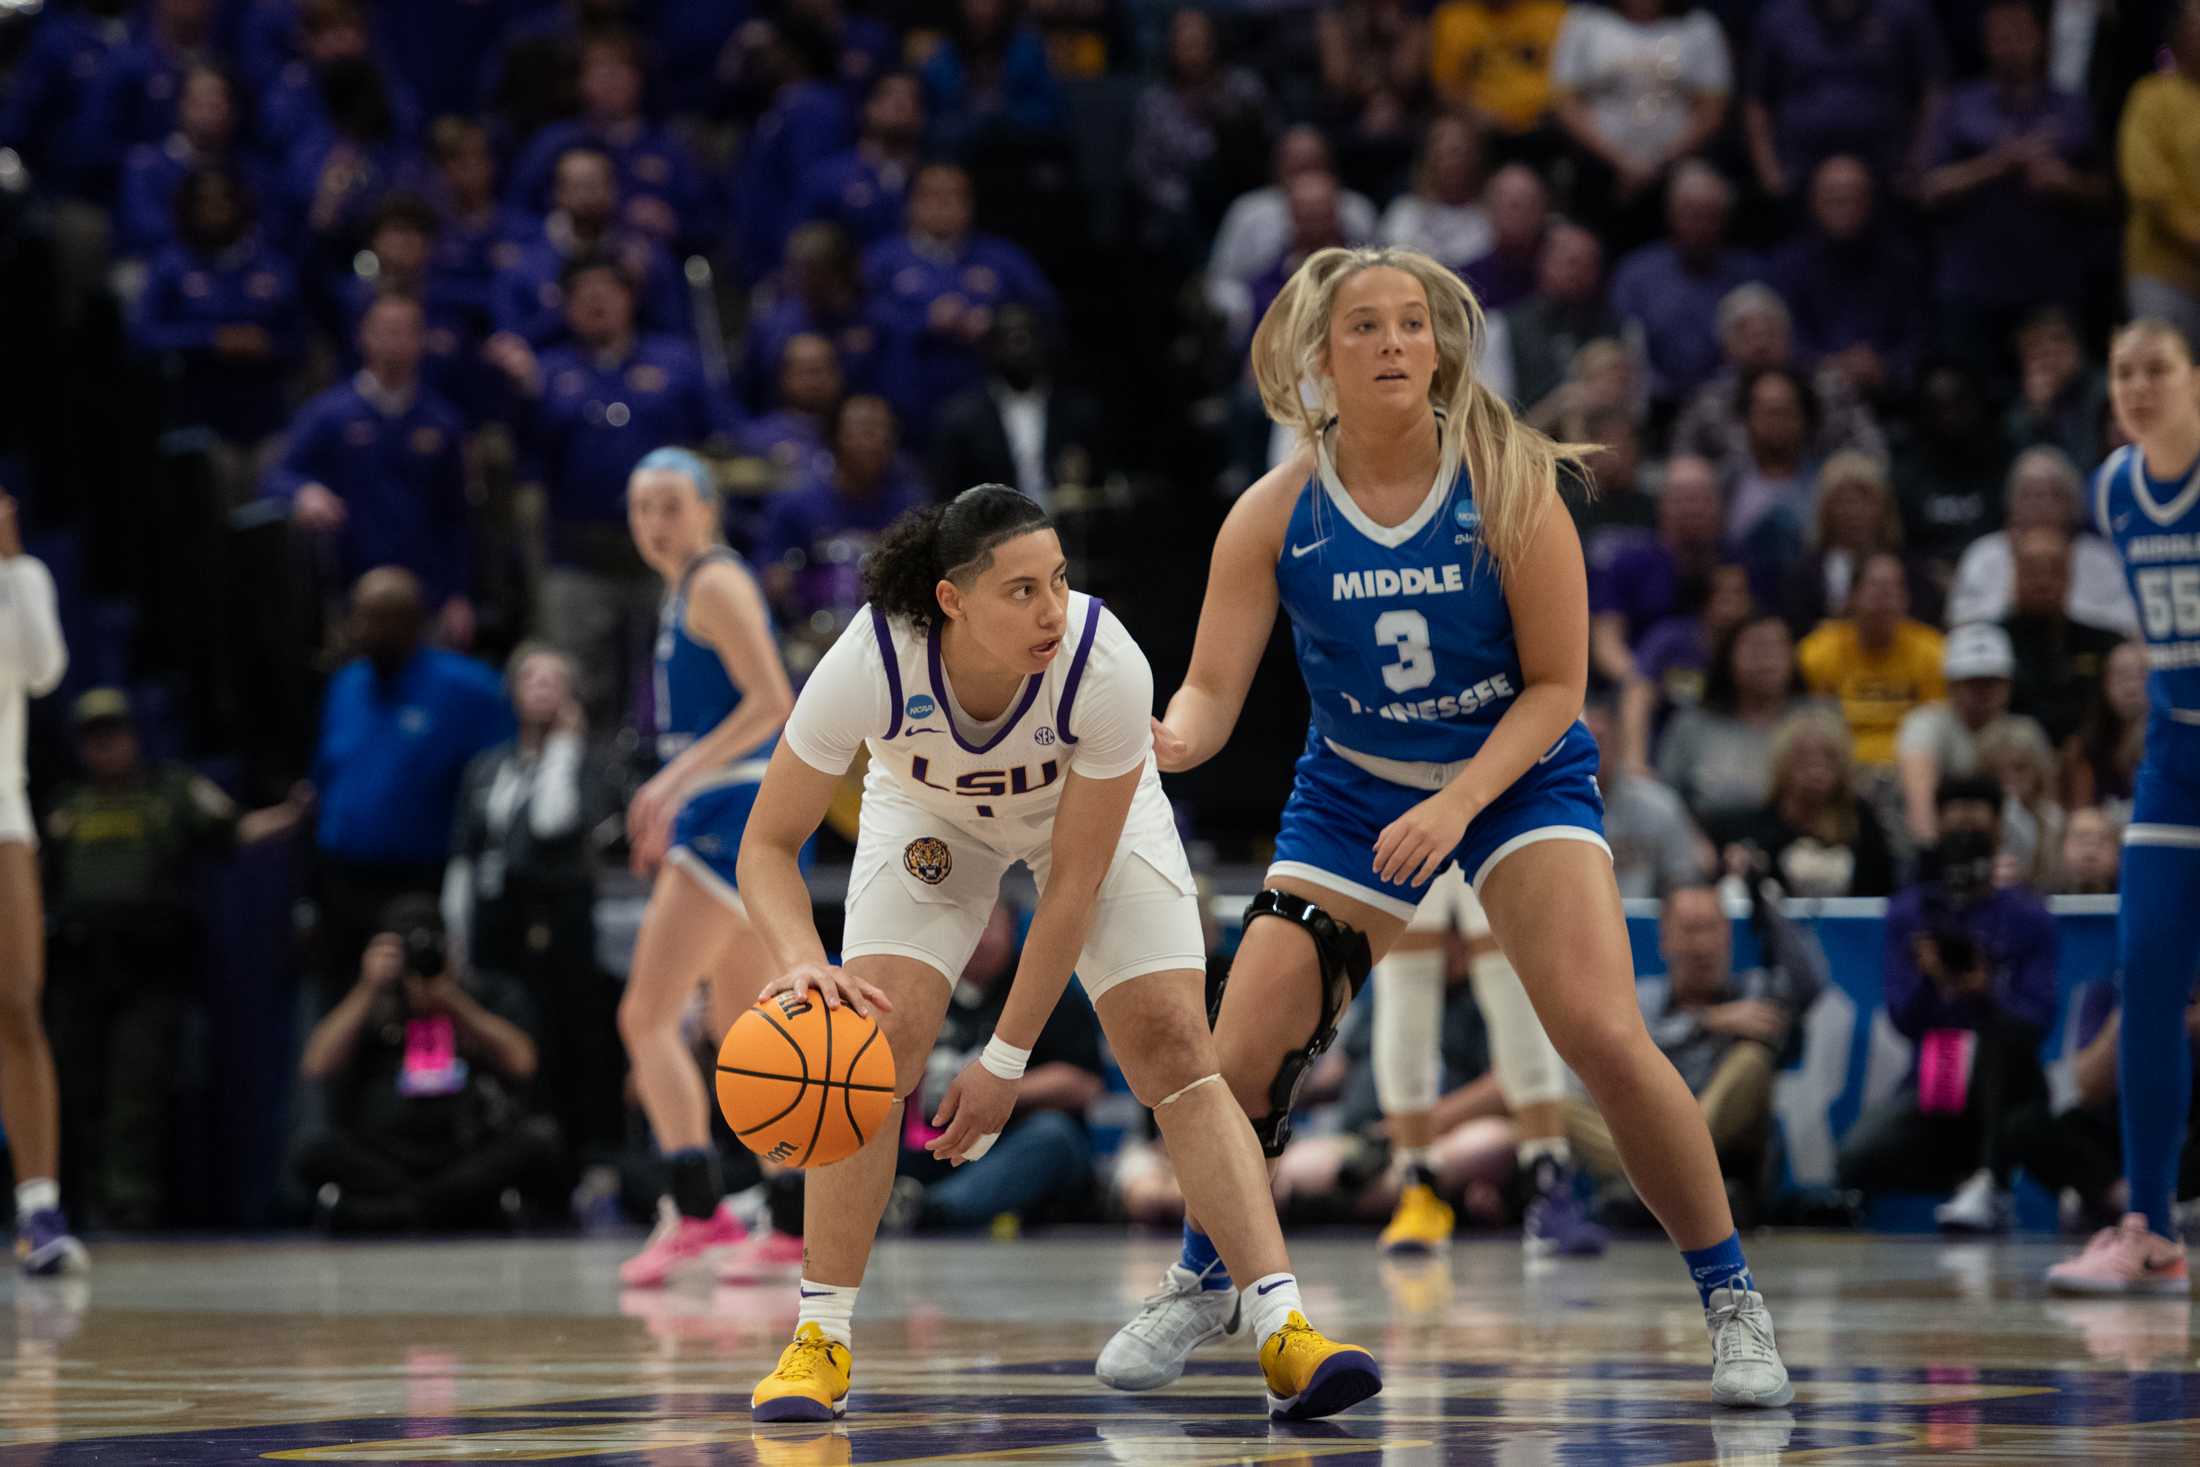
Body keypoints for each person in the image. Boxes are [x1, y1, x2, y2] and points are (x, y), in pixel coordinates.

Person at [1104, 245, 1790, 1408]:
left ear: (1439, 347)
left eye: (1410, 324)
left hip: (1512, 777)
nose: (1390, 344)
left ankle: (1732, 1300)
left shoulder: (1506, 484)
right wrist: (1166, 737)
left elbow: (1558, 686)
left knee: (1603, 1034)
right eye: (1363, 328)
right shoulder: (1272, 514)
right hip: (1357, 784)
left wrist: (1458, 801)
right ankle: (1205, 1278)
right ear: (1320, 360)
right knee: (1235, 1058)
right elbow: (1214, 694)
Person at [737, 485, 1381, 1422]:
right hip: (932, 821)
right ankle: (819, 1339)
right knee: (867, 1053)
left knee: (1172, 1047)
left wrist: (1004, 1062)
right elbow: (765, 846)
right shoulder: (872, 657)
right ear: (952, 600)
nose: (1052, 610)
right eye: (1021, 591)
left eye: (1059, 580)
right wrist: (801, 955)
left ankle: (1284, 1327)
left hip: (1081, 824)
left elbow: (1070, 888)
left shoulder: (1103, 658)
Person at [612, 450, 803, 1289]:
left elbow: (776, 705)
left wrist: (669, 781)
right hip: (723, 809)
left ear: (707, 508)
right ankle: (794, 1218)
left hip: (731, 813)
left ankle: (696, 1210)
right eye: (640, 507)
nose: (654, 521)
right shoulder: (687, 584)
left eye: (669, 504)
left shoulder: (715, 582)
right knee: (743, 1033)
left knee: (646, 1016)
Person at [2047, 318, 2200, 1292]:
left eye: (2157, 370)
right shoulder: (2111, 489)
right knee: (2144, 973)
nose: (2138, 387)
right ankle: (2147, 1228)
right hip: (2175, 755)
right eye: (2122, 372)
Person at [44, 688, 309, 1227]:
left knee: (136, 1092)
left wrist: (291, 815)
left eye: (114, 734)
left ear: (133, 737)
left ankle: (129, 1203)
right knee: (81, 1088)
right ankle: (83, 1202)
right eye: (94, 738)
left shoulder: (169, 793)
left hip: (149, 967)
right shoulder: (66, 808)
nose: (106, 747)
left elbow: (235, 829)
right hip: (80, 968)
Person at [1836, 775, 2056, 1232]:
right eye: (1955, 828)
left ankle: (1991, 1181)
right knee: (1858, 1157)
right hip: (1936, 1075)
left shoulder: (2028, 915)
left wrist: (1986, 990)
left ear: (1999, 830)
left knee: (1999, 1040)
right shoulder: (1912, 913)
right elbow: (1903, 1017)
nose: (1965, 842)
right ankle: (1967, 1179)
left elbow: (2037, 1020)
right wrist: (1931, 979)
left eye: (1976, 828)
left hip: (2009, 1084)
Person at [296, 897, 564, 1232]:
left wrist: (452, 1002)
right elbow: (315, 1065)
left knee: (540, 1140)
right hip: (384, 1156)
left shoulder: (483, 992)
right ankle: (438, 1208)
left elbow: (524, 1062)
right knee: (312, 1148)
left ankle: (404, 1210)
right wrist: (368, 988)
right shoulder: (369, 1000)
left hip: (464, 1151)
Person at [1567, 876, 1825, 1217]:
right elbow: (1617, 1046)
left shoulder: (1753, 991)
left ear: (1728, 937)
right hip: (1647, 1129)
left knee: (1752, 1060)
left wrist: (1765, 904)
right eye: (1690, 930)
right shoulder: (1640, 998)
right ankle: (1665, 1179)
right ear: (1664, 939)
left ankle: (1655, 1179)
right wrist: (1707, 1021)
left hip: (1726, 1155)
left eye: (1711, 930)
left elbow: (1810, 984)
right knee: (1559, 1108)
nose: (1702, 945)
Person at [888, 902, 1104, 1231]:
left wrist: (997, 1087)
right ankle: (828, 1197)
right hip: (936, 1141)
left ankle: (930, 1209)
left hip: (1014, 1139)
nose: (981, 938)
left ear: (1013, 929)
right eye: (972, 925)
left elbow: (1085, 1084)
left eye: (990, 926)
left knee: (1052, 1136)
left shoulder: (1045, 988)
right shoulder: (926, 989)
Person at [0, 488, 83, 1274]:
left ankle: (38, 1207)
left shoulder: (19, 576)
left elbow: (44, 668)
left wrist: (14, 557)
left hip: (3, 816)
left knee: (18, 1003)